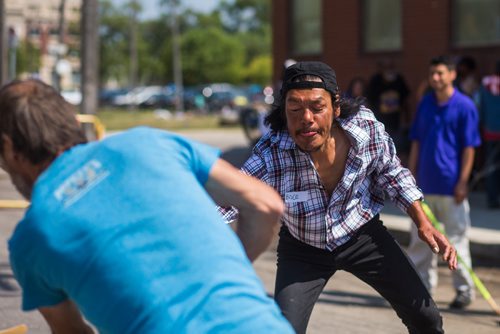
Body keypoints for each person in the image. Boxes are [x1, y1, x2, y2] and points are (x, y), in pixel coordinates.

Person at [0, 79, 294, 334]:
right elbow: (265, 204)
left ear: (9, 148)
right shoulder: (150, 142)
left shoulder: (31, 239)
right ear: (75, 122)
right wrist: (223, 272)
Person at [219, 61, 457, 333]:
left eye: (317, 108)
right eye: (295, 108)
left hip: (362, 235)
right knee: (283, 329)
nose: (306, 118)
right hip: (303, 246)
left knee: (426, 317)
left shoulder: (365, 130)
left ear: (336, 108)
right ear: (284, 113)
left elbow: (392, 173)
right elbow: (233, 197)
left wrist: (422, 221)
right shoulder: (272, 150)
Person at [407, 56, 481, 309]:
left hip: (451, 188)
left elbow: (470, 148)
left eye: (440, 73)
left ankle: (464, 290)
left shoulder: (465, 106)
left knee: (456, 241)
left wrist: (463, 181)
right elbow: (416, 141)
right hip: (424, 187)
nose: (435, 78)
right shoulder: (425, 104)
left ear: (452, 75)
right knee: (420, 242)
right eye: (432, 73)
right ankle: (422, 291)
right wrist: (411, 176)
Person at [367, 58, 411, 164]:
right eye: (386, 67)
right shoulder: (375, 81)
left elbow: (406, 101)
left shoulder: (399, 80)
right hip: (380, 124)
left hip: (396, 123)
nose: (388, 70)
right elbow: (369, 102)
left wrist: (407, 120)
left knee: (399, 150)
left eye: (391, 67)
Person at [479, 60, 500, 209]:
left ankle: (492, 198)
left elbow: (481, 107)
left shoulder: (485, 85)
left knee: (492, 167)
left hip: (490, 132)